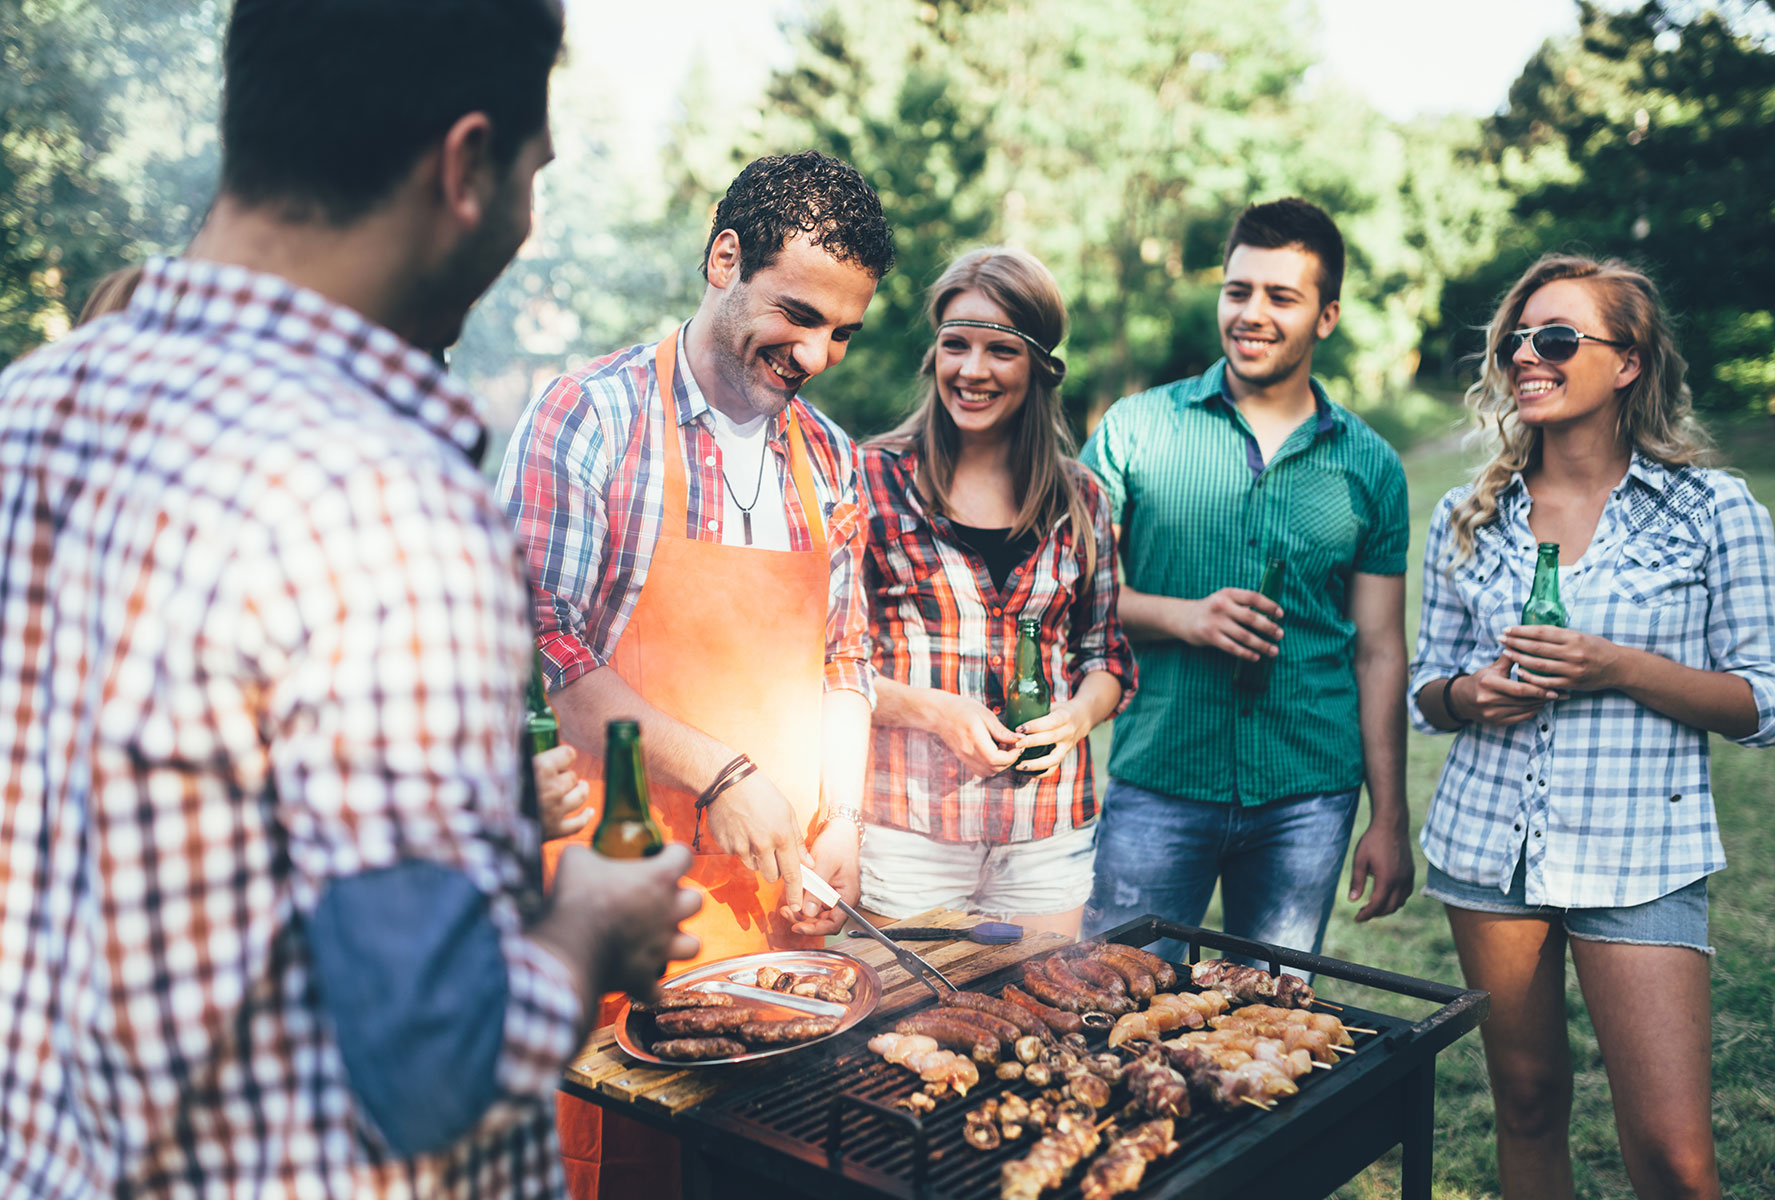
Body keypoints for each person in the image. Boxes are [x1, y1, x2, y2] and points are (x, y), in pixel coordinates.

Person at [0, 2, 705, 1196]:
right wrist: (589, 925)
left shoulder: (30, 412)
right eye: (534, 174)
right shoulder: (384, 502)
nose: (527, 219)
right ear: (465, 164)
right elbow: (431, 1061)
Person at [495, 149, 894, 1199]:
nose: (817, 353)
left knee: (776, 1169)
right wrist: (720, 775)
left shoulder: (833, 459)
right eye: (797, 314)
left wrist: (843, 819)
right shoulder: (589, 418)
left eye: (842, 332)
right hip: (621, 896)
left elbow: (846, 654)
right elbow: (549, 656)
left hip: (776, 905)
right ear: (725, 258)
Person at [1410, 254, 1775, 1199]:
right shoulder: (1468, 516)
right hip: (1488, 852)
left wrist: (1616, 666)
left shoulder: (1712, 511)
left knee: (1673, 1155)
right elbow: (1426, 687)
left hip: (1642, 855)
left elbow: (1769, 702)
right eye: (1515, 341)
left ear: (1627, 363)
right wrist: (1472, 695)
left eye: (1555, 339)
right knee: (1529, 1105)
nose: (1526, 358)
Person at [1078, 197, 1415, 963]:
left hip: (1308, 793)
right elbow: (1074, 598)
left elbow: (1380, 652)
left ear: (1326, 316)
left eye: (1281, 297)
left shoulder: (1372, 466)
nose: (1252, 314)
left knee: (1267, 1031)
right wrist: (1184, 617)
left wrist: (1388, 816)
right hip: (1161, 777)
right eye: (1239, 291)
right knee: (1116, 1007)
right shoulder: (1135, 430)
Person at [857, 247, 1134, 936]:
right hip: (908, 825)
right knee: (907, 1033)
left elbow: (1108, 657)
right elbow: (824, 663)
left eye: (1000, 350)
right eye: (956, 344)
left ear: (1040, 366)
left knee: (1042, 1028)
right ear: (934, 355)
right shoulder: (870, 479)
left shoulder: (1083, 499)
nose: (972, 370)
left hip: (1046, 829)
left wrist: (1076, 719)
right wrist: (932, 711)